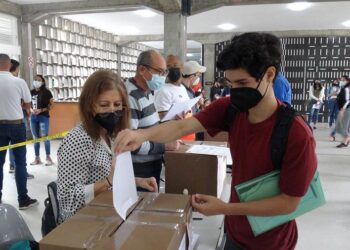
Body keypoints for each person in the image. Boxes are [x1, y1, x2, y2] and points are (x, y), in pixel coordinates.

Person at [115, 33, 317, 249]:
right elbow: (182, 126)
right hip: (235, 233)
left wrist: (225, 208)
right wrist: (141, 135)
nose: (235, 91)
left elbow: (289, 203)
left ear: (269, 74)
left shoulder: (296, 134)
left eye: (242, 82)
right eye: (230, 83)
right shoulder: (231, 108)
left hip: (272, 242)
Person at [57, 70, 157, 223]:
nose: (112, 110)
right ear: (89, 106)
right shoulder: (78, 140)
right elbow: (67, 200)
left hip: (107, 214)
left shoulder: (111, 134)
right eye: (104, 105)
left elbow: (107, 174)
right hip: (81, 223)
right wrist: (108, 182)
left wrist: (136, 181)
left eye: (117, 105)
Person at [123, 50, 179, 192]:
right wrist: (164, 146)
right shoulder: (130, 97)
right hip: (139, 170)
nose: (162, 77)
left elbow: (148, 123)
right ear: (142, 69)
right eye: (159, 72)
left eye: (164, 73)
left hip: (152, 162)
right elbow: (131, 143)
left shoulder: (148, 91)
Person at [0, 54, 38, 209]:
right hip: (16, 126)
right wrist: (22, 106)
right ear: (9, 65)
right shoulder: (19, 82)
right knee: (20, 163)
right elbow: (28, 105)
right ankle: (23, 200)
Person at [154, 55, 195, 141]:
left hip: (188, 136)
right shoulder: (162, 90)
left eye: (175, 66)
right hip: (176, 139)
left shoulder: (182, 88)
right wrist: (175, 118)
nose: (173, 69)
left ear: (182, 67)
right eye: (169, 66)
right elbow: (162, 117)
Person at [8, 59, 34, 179]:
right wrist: (28, 111)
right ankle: (21, 172)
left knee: (9, 146)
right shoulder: (18, 82)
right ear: (15, 68)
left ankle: (12, 165)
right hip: (17, 119)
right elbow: (27, 102)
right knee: (19, 149)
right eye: (18, 69)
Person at [29, 74, 54, 166]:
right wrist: (31, 110)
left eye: (38, 80)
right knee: (36, 138)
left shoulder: (47, 92)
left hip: (43, 117)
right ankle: (37, 158)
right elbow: (28, 104)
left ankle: (48, 157)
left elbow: (51, 105)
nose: (36, 81)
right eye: (35, 79)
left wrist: (41, 110)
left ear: (42, 82)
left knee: (45, 137)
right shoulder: (31, 92)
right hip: (33, 118)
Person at [335, 75, 350, 148]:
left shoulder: (347, 88)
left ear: (347, 81)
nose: (341, 81)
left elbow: (348, 100)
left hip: (346, 109)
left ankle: (345, 141)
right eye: (341, 80)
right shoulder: (342, 88)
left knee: (344, 126)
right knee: (338, 126)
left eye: (343, 80)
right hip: (342, 109)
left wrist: (343, 109)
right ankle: (347, 138)